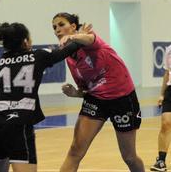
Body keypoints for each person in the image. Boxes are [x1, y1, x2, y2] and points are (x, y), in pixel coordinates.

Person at [51, 12, 145, 172]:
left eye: (61, 25)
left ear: (73, 27)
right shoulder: (70, 58)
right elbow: (87, 89)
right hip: (95, 100)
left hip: (122, 99)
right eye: (54, 27)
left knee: (129, 157)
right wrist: (75, 93)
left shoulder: (89, 39)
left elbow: (88, 39)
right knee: (75, 151)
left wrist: (73, 37)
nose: (57, 29)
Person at [0, 22, 82, 172]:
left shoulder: (1, 61)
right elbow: (65, 51)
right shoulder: (38, 56)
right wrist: (82, 37)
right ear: (25, 41)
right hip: (19, 123)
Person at [150, 45, 171, 172]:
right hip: (170, 90)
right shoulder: (169, 49)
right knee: (166, 123)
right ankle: (161, 161)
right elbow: (167, 73)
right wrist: (162, 94)